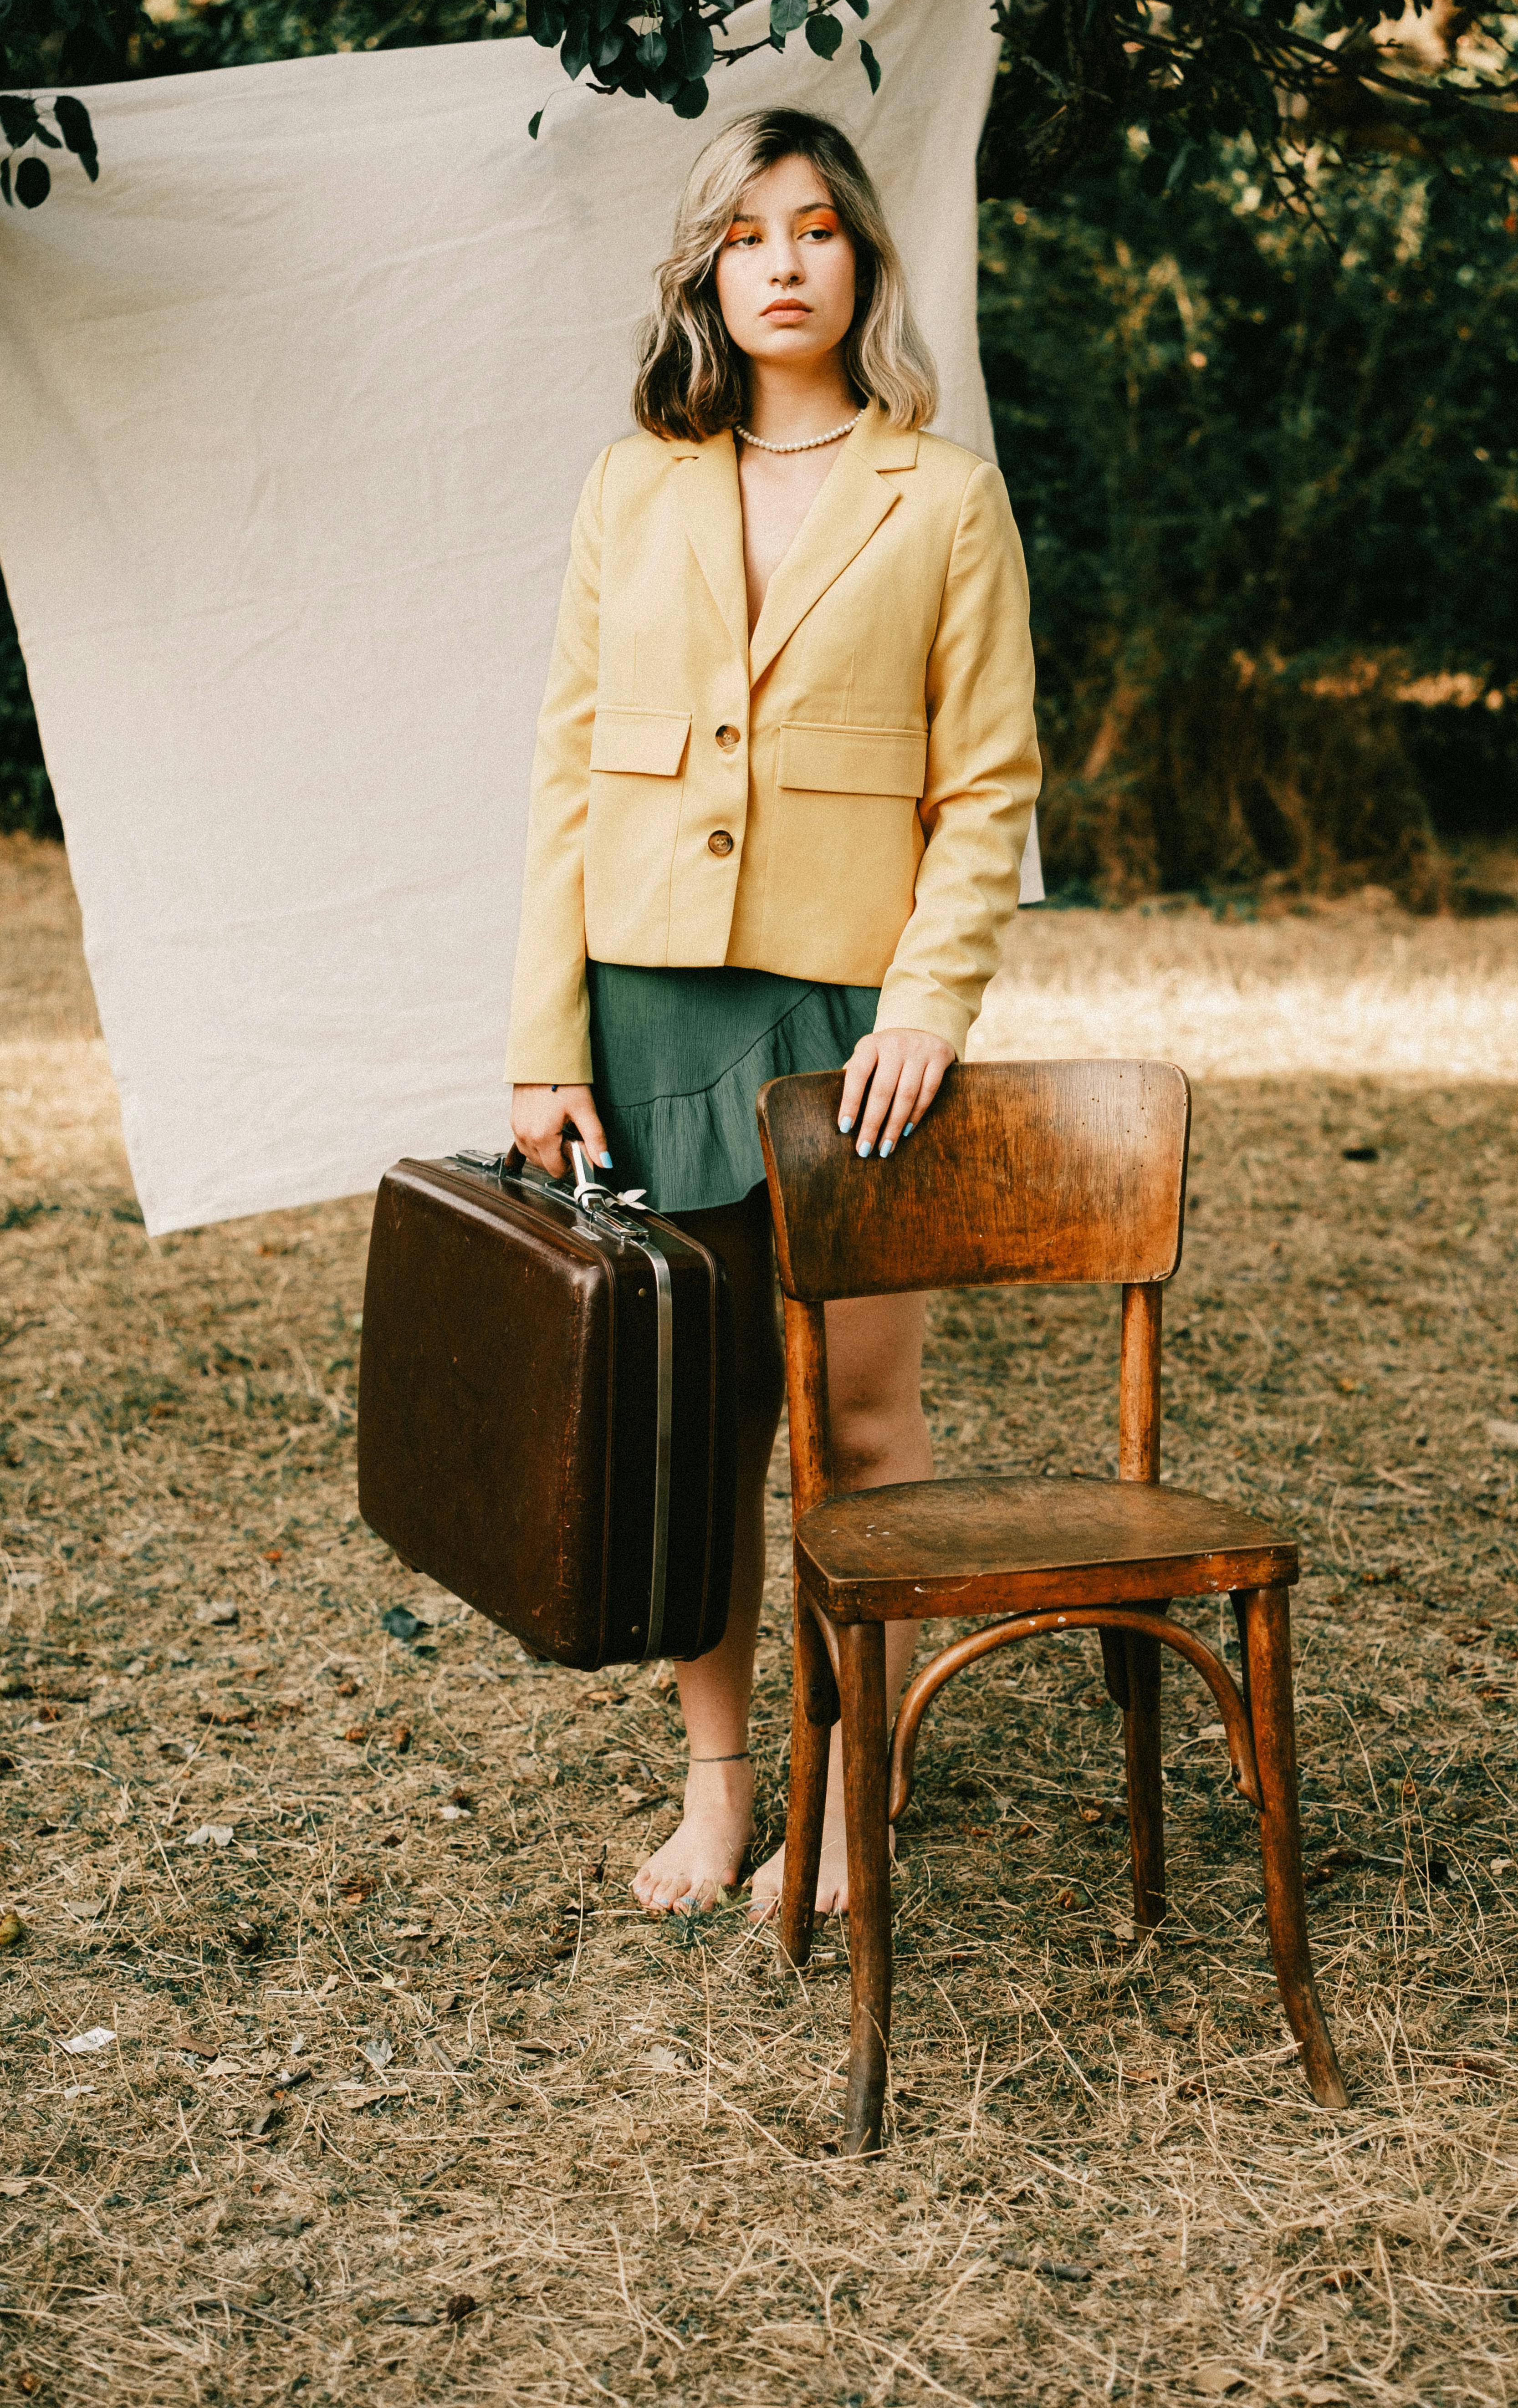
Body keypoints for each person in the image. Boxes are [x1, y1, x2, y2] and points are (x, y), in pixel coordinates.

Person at [505, 105, 1040, 1918]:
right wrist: (542, 1043)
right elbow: (568, 779)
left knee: (860, 1424)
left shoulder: (943, 496)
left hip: (848, 1019)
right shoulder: (628, 485)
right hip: (653, 1009)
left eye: (816, 228)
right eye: (747, 235)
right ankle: (721, 1790)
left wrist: (925, 1004)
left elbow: (985, 786)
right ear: (707, 275)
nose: (784, 262)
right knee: (691, 1432)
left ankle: (851, 1784)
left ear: (863, 262)